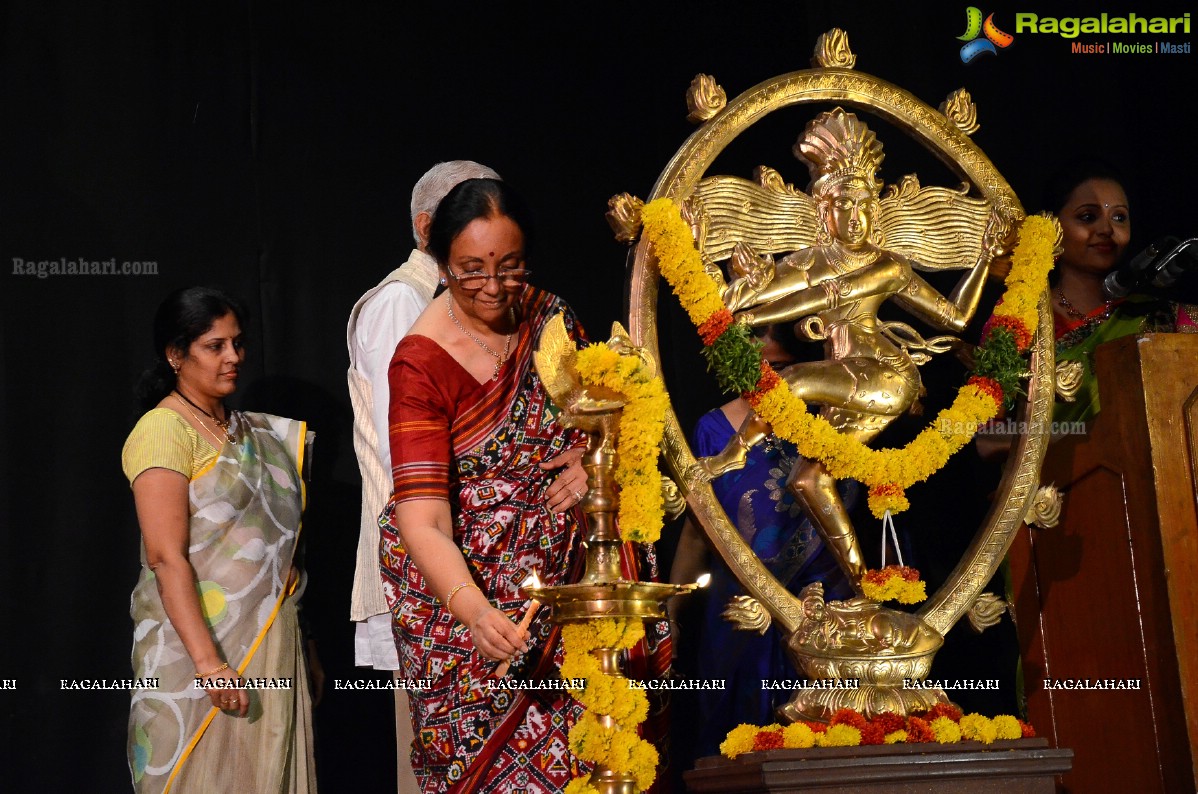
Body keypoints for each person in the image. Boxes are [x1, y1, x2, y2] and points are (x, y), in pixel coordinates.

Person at [699, 108, 997, 589]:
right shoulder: (810, 259)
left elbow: (956, 319)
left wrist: (983, 260)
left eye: (864, 205)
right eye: (844, 205)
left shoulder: (887, 266)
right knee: (807, 480)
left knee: (792, 381)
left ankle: (734, 454)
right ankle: (862, 583)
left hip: (886, 374)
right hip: (845, 388)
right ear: (824, 210)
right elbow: (760, 295)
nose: (855, 216)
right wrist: (743, 285)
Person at [378, 178, 595, 793]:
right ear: (441, 260)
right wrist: (475, 612)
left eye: (510, 266)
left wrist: (592, 461)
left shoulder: (551, 318)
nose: (495, 288)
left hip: (561, 581)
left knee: (586, 761)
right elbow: (421, 518)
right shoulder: (419, 361)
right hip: (460, 595)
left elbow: (602, 421)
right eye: (472, 270)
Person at [122, 286, 317, 792]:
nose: (234, 357)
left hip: (272, 645)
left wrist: (308, 646)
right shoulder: (163, 430)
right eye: (215, 346)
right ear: (175, 354)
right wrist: (211, 665)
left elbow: (284, 558)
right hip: (196, 656)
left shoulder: (256, 434)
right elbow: (166, 559)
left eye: (237, 342)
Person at [346, 159, 499, 790]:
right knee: (435, 757)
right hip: (421, 559)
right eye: (473, 209)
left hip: (485, 552)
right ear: (427, 226)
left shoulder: (473, 306)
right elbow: (403, 446)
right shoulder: (399, 303)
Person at [668, 323, 855, 759]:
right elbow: (699, 531)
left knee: (830, 741)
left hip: (826, 611)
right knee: (737, 746)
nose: (774, 372)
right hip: (739, 610)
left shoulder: (835, 422)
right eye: (763, 359)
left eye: (784, 364)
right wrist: (673, 614)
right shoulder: (714, 432)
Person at [1045, 158, 1197, 426]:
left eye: (1119, 217)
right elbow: (988, 438)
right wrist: (1084, 438)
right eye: (1088, 217)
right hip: (1061, 467)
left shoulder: (1164, 317)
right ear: (1051, 226)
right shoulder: (1023, 320)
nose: (1106, 229)